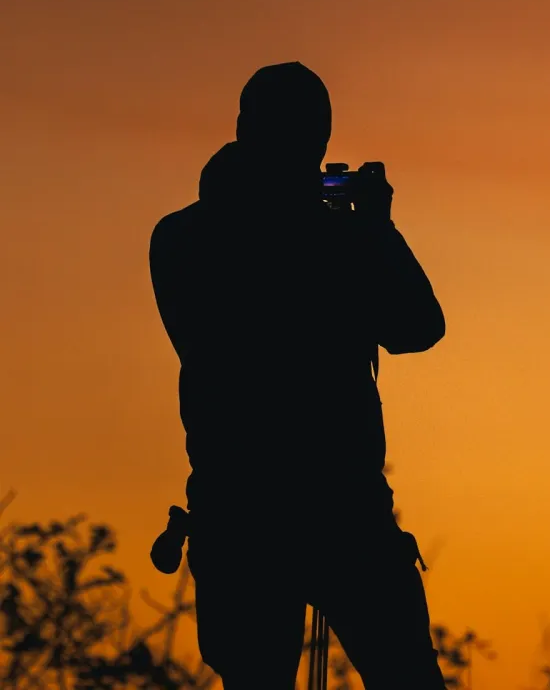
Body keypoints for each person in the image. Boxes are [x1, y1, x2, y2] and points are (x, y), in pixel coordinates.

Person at [148, 62, 447, 689]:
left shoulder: (178, 238)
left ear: (240, 127)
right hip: (338, 512)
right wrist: (375, 230)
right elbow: (419, 327)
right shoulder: (336, 241)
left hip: (240, 518)